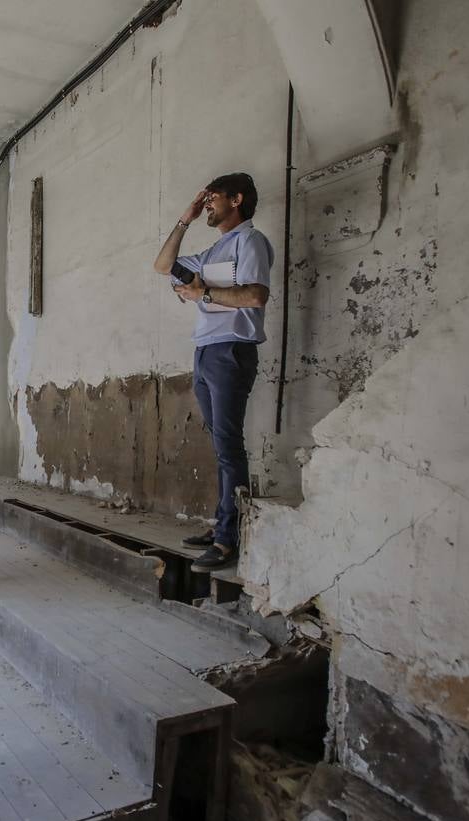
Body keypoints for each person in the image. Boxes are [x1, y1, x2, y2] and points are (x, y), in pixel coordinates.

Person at [152, 173, 273, 572]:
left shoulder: (249, 242)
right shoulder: (212, 252)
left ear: (236, 200)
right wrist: (184, 219)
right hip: (206, 351)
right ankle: (223, 523)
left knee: (229, 444)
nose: (207, 204)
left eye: (213, 198)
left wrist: (202, 293)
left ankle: (227, 538)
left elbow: (255, 295)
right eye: (203, 200)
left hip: (232, 350)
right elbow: (163, 265)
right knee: (221, 445)